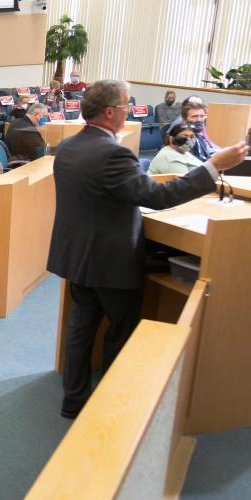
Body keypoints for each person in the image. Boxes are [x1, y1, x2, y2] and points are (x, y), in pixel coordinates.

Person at [47, 79, 248, 419]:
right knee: (121, 331)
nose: (128, 112)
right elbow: (160, 197)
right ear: (110, 112)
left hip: (77, 257)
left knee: (81, 330)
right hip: (110, 262)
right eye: (126, 106)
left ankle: (74, 401)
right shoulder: (113, 152)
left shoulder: (68, 147)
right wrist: (214, 167)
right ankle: (111, 406)